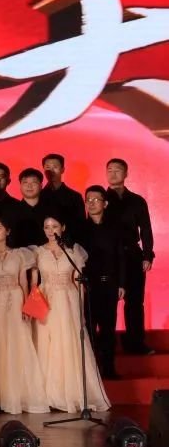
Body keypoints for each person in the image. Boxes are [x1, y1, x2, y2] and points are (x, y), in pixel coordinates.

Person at [31, 215, 111, 413]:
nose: (50, 230)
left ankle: (72, 393)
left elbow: (78, 282)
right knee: (47, 343)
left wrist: (80, 309)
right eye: (47, 227)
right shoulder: (37, 252)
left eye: (54, 226)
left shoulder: (73, 252)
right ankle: (49, 394)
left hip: (68, 300)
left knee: (68, 343)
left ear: (63, 227)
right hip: (46, 299)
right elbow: (34, 282)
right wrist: (32, 307)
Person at [0, 217, 49, 414]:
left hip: (14, 298)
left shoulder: (19, 255)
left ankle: (15, 393)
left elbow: (23, 281)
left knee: (15, 341)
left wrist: (26, 306)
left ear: (7, 231)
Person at [105, 158, 156, 355]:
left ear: (126, 174)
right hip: (109, 256)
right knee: (107, 301)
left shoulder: (137, 201)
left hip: (132, 255)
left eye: (117, 170)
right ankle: (106, 345)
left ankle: (136, 343)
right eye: (109, 170)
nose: (113, 173)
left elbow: (146, 229)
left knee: (135, 301)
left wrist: (147, 255)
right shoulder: (100, 198)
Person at [77, 186, 125, 379]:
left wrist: (121, 283)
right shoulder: (80, 228)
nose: (91, 203)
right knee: (88, 328)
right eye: (88, 200)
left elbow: (121, 257)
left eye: (96, 200)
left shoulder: (115, 228)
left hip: (109, 285)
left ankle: (109, 369)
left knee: (108, 329)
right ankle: (91, 371)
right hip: (88, 286)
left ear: (105, 204)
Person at [39, 154, 85, 236]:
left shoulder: (75, 197)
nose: (51, 171)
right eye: (48, 167)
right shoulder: (38, 196)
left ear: (62, 170)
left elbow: (81, 226)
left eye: (55, 167)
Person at [10, 168, 50, 248]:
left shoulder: (51, 210)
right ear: (20, 186)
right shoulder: (11, 211)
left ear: (41, 186)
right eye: (25, 183)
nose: (29, 186)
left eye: (34, 182)